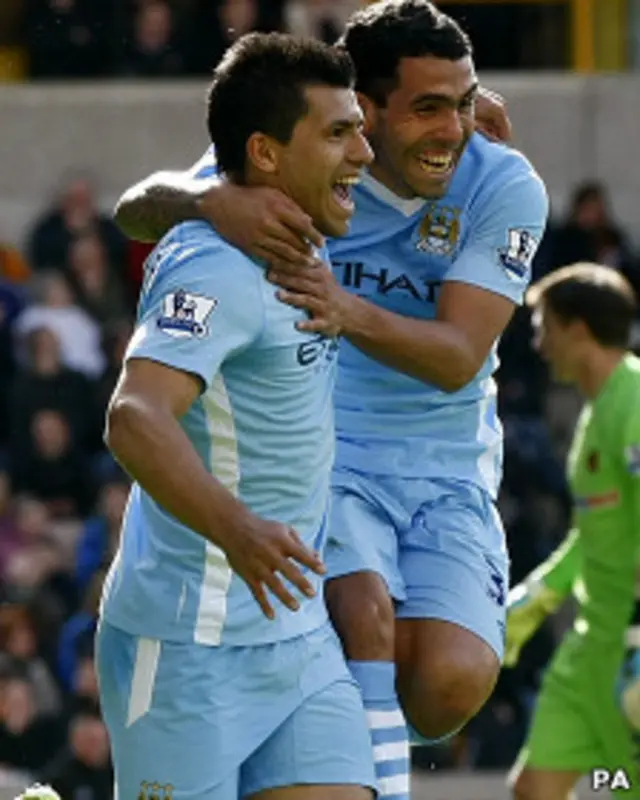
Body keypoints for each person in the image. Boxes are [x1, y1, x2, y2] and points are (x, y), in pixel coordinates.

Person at [113, 0, 548, 774]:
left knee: (448, 682)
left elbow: (456, 357)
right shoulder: (298, 162)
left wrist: (344, 308)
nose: (453, 129)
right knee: (359, 611)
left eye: (465, 102)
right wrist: (204, 197)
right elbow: (133, 209)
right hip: (332, 455)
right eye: (427, 109)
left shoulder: (499, 183)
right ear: (365, 109)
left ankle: (345, 727)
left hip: (446, 464)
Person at [96, 32, 376, 800]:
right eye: (340, 133)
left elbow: (136, 203)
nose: (364, 154)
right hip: (188, 647)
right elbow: (134, 418)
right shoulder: (214, 264)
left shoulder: (290, 212)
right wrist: (241, 531)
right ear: (266, 154)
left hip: (296, 637)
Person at [504, 263, 640, 800]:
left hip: (630, 648)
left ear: (578, 330)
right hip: (590, 651)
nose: (538, 344)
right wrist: (531, 602)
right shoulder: (595, 413)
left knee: (620, 787)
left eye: (545, 327)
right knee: (536, 789)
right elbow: (594, 536)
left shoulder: (633, 400)